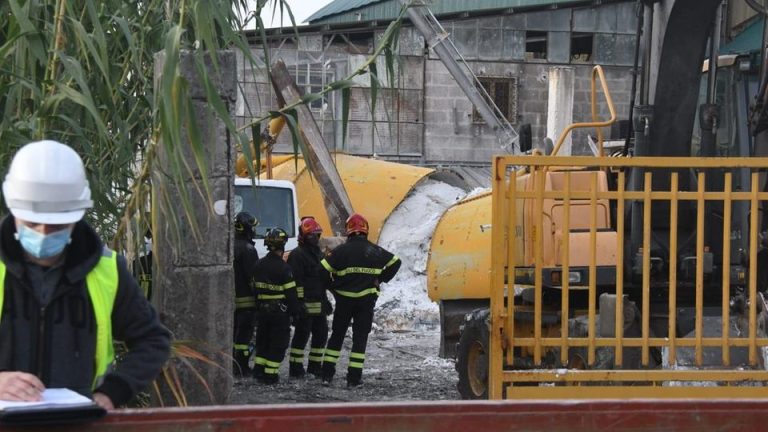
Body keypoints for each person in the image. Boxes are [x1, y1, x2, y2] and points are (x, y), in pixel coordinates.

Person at [0, 140, 171, 409]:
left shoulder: (107, 270)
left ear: (75, 217)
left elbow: (153, 340)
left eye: (57, 225)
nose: (44, 233)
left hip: (78, 423)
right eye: (32, 223)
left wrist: (111, 393)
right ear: (14, 211)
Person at [320, 213, 401, 387]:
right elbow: (396, 261)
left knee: (337, 336)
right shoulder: (374, 250)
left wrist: (332, 286)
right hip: (365, 303)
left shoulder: (341, 251)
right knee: (360, 339)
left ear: (348, 231)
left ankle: (326, 375)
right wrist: (381, 278)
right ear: (365, 230)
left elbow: (322, 270)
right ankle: (353, 379)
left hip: (344, 301)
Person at [250, 227, 299, 384]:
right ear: (283, 245)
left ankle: (258, 371)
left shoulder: (258, 265)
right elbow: (291, 295)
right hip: (279, 314)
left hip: (262, 312)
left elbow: (254, 289)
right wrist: (296, 313)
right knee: (278, 343)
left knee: (262, 341)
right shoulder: (285, 268)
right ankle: (271, 375)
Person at [287, 217, 332, 378]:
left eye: (318, 235)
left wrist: (326, 300)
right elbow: (296, 282)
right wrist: (298, 304)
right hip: (305, 304)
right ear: (305, 236)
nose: (316, 238)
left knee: (321, 335)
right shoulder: (297, 255)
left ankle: (314, 367)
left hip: (319, 303)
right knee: (301, 336)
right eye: (313, 235)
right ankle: (295, 368)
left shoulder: (318, 254)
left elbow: (322, 279)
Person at [232, 211, 259, 376]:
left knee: (234, 334)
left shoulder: (230, 246)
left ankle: (232, 364)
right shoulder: (248, 250)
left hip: (232, 301)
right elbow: (253, 278)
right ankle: (241, 366)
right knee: (243, 337)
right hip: (247, 302)